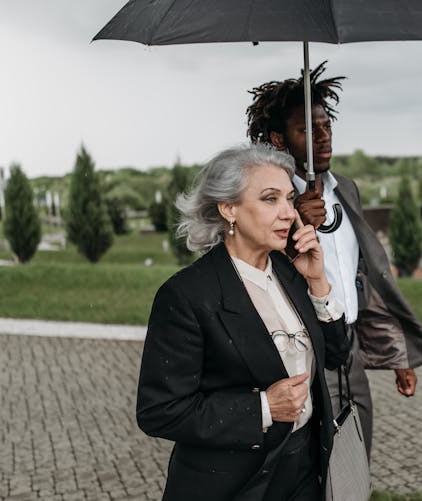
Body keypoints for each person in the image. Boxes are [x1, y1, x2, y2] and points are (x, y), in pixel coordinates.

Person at [136, 144, 349, 501]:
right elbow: (159, 411)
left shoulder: (289, 271)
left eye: (288, 199)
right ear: (228, 208)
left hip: (304, 470)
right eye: (270, 199)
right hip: (233, 484)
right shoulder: (188, 295)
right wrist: (263, 407)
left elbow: (339, 355)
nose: (287, 213)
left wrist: (318, 283)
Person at [246, 62, 422, 458]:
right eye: (307, 129)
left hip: (348, 349)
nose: (323, 135)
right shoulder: (266, 198)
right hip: (298, 354)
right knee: (310, 461)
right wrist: (294, 226)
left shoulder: (345, 190)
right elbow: (255, 274)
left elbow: (360, 279)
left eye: (326, 124)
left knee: (357, 452)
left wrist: (398, 357)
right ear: (279, 139)